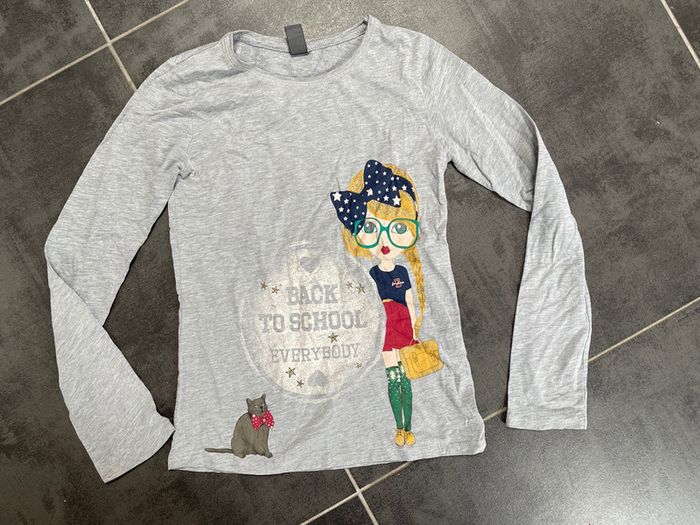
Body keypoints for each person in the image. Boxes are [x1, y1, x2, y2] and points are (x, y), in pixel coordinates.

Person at [329, 159, 427, 447]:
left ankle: (409, 427)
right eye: (372, 228)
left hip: (403, 325)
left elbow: (409, 301)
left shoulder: (404, 272)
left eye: (397, 228)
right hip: (382, 328)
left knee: (405, 379)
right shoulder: (369, 273)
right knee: (392, 379)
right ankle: (399, 427)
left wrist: (415, 330)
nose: (384, 241)